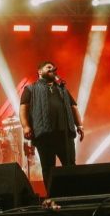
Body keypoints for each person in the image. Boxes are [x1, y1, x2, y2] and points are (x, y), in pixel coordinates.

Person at [20, 61, 84, 190]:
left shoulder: (62, 88)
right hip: (44, 135)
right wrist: (26, 126)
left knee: (70, 166)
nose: (52, 69)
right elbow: (23, 109)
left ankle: (73, 194)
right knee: (48, 168)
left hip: (65, 133)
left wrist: (80, 126)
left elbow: (74, 107)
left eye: (53, 68)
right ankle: (53, 196)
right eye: (48, 67)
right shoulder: (30, 89)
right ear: (39, 72)